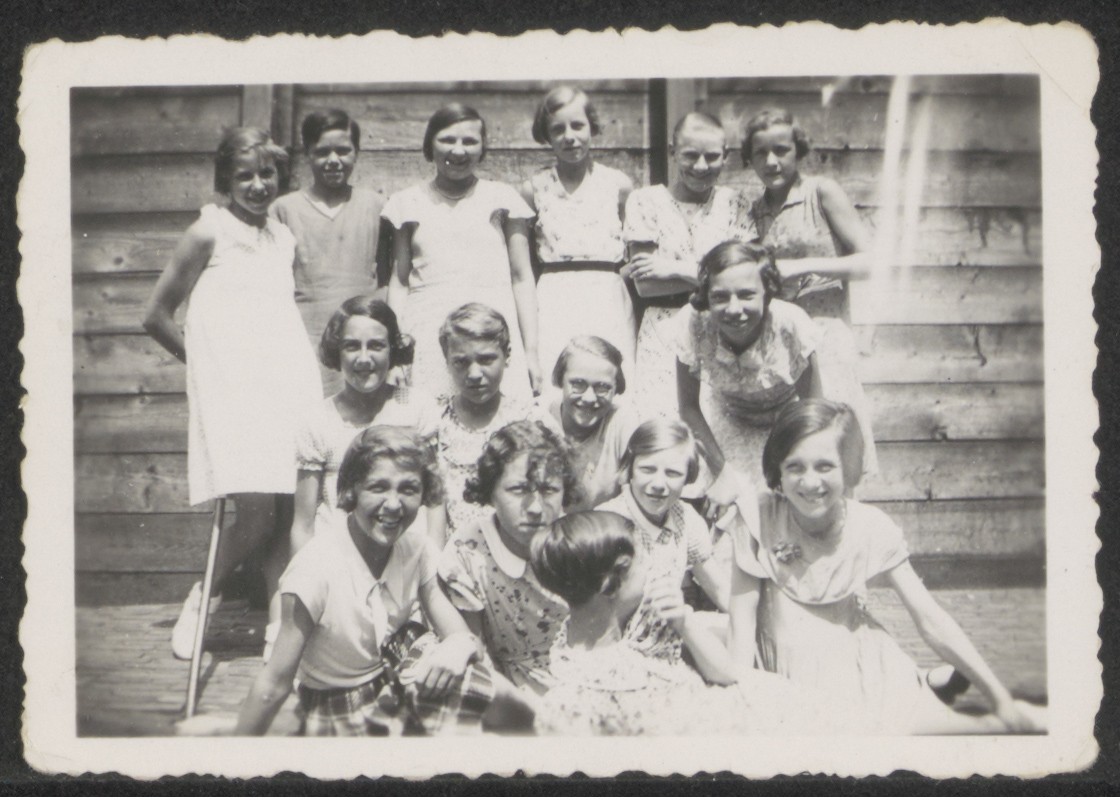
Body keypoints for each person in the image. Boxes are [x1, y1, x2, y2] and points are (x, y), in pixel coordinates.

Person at [726, 399, 1046, 734]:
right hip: (783, 675)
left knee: (953, 730)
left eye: (825, 467)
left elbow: (930, 619)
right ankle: (930, 683)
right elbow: (740, 625)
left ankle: (994, 714)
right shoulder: (758, 517)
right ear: (778, 468)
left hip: (859, 673)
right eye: (795, 467)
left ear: (849, 468)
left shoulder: (869, 526)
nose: (809, 482)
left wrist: (999, 698)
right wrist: (740, 705)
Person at [143, 127, 322, 660]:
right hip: (235, 391)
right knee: (256, 511)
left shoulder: (282, 238)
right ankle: (202, 600)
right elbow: (155, 316)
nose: (258, 185)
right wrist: (208, 366)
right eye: (245, 176)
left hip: (285, 383)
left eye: (267, 173)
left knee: (287, 508)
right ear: (226, 180)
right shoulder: (208, 231)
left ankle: (279, 623)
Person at [235, 426, 526, 736]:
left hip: (393, 676)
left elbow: (459, 634)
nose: (393, 505)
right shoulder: (315, 567)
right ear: (352, 490)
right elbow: (274, 684)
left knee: (475, 681)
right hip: (337, 700)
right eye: (378, 487)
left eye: (408, 489)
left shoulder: (416, 549)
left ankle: (544, 727)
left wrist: (457, 646)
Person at [530, 511, 798, 736]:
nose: (650, 565)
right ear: (610, 583)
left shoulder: (647, 612)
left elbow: (726, 673)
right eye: (641, 561)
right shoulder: (577, 689)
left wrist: (685, 623)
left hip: (721, 707)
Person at [741, 108, 877, 473]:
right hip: (779, 342)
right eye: (760, 153)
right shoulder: (754, 212)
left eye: (781, 150)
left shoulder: (821, 193)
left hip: (826, 332)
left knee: (833, 436)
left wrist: (803, 266)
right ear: (749, 158)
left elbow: (870, 262)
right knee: (792, 446)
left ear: (798, 151)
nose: (771, 161)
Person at [383, 103, 541, 402]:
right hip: (427, 331)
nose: (458, 151)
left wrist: (531, 352)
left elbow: (522, 279)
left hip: (491, 329)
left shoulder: (502, 198)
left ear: (482, 148)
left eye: (469, 141)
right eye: (447, 140)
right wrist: (397, 353)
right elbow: (399, 282)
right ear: (430, 145)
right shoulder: (407, 202)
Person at [290, 297, 440, 555]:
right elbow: (303, 525)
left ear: (392, 349)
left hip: (407, 555)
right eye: (351, 346)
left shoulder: (417, 408)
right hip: (339, 556)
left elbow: (435, 503)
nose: (363, 359)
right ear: (337, 351)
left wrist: (434, 567)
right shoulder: (317, 420)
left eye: (376, 346)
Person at [621, 111, 746, 418]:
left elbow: (742, 278)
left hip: (722, 329)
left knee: (717, 421)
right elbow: (647, 285)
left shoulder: (735, 203)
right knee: (662, 421)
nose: (701, 166)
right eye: (690, 155)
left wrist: (676, 269)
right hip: (663, 330)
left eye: (711, 156)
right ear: (673, 152)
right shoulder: (645, 201)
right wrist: (713, 275)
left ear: (725, 156)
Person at [672, 240, 822, 491]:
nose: (734, 309)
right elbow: (688, 408)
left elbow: (813, 411)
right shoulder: (694, 324)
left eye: (746, 295)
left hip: (789, 426)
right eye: (720, 297)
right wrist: (722, 472)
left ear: (767, 292)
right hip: (730, 421)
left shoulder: (791, 325)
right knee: (731, 498)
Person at [438, 421, 575, 695]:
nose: (535, 508)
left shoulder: (577, 544)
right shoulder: (468, 554)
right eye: (519, 490)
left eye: (548, 490)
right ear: (491, 492)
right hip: (502, 692)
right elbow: (473, 655)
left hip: (574, 682)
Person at [520, 86, 637, 383]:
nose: (569, 136)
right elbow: (526, 262)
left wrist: (613, 282)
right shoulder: (535, 189)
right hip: (554, 297)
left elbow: (633, 251)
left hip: (606, 296)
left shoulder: (617, 185)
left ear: (592, 127)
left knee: (609, 377)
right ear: (546, 135)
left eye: (577, 125)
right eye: (557, 129)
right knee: (557, 381)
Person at [269, 109, 387, 370]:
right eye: (322, 152)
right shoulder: (283, 210)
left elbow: (388, 280)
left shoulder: (377, 206)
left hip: (361, 341)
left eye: (343, 151)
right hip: (303, 337)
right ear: (307, 154)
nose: (333, 160)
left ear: (357, 152)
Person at [598, 418, 730, 612]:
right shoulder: (606, 524)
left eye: (673, 473)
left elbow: (719, 590)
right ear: (630, 469)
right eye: (647, 470)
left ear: (689, 476)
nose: (659, 484)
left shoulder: (685, 518)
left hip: (665, 624)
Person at [434, 303, 533, 537]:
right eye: (461, 362)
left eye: (486, 360)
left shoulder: (529, 419)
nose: (474, 374)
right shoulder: (434, 421)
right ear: (447, 360)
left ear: (507, 355)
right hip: (454, 548)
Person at [543, 336, 639, 511]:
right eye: (578, 384)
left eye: (602, 387)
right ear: (560, 380)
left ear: (616, 388)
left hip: (605, 525)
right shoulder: (541, 421)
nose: (589, 398)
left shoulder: (622, 423)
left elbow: (633, 500)